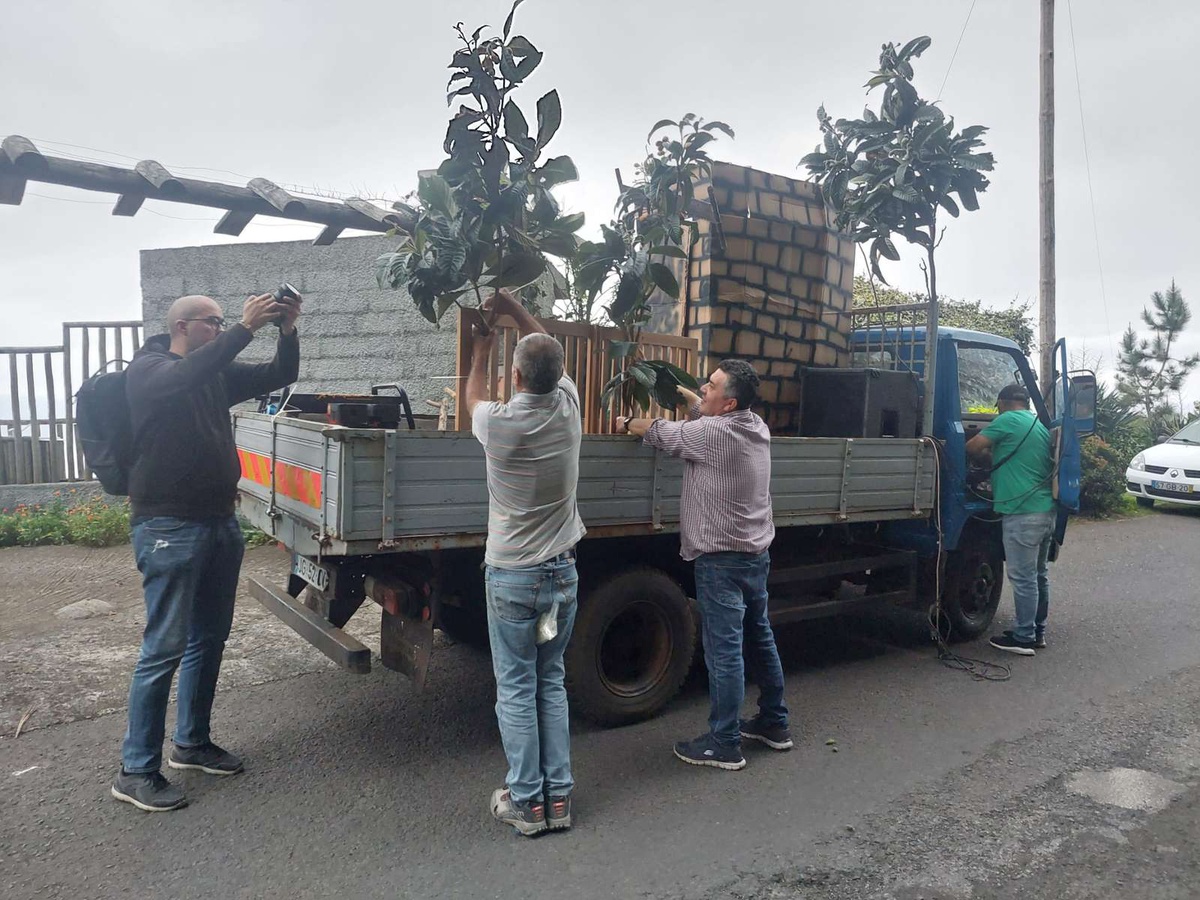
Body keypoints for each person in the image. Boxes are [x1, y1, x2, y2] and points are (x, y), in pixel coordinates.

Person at [111, 290, 301, 812]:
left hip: (218, 521)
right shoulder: (149, 370)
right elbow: (183, 378)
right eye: (213, 323)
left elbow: (279, 376)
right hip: (169, 525)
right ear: (182, 326)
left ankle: (191, 743)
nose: (221, 330)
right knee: (163, 648)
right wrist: (243, 328)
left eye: (223, 323)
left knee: (208, 638)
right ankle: (135, 769)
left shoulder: (213, 372)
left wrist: (286, 329)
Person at [617, 359, 790, 771]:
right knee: (759, 636)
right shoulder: (755, 425)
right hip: (754, 554)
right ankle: (774, 722)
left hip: (721, 560)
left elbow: (661, 433)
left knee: (724, 650)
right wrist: (696, 401)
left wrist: (625, 421)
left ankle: (725, 742)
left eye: (711, 386)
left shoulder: (711, 434)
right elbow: (706, 418)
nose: (703, 387)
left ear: (729, 404)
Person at [464, 290, 585, 837]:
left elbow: (471, 396)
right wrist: (515, 308)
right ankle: (558, 801)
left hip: (513, 576)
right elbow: (551, 353)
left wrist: (481, 346)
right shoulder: (569, 404)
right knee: (551, 682)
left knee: (515, 687)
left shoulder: (499, 424)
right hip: (562, 573)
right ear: (557, 374)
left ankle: (526, 803)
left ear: (515, 379)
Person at [966, 382, 1056, 656]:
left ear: (1002, 403)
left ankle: (1024, 636)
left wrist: (986, 457)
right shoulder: (1036, 424)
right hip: (1044, 510)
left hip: (1022, 512)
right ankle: (1036, 631)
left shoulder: (1007, 419)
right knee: (1038, 575)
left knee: (1023, 576)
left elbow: (972, 446)